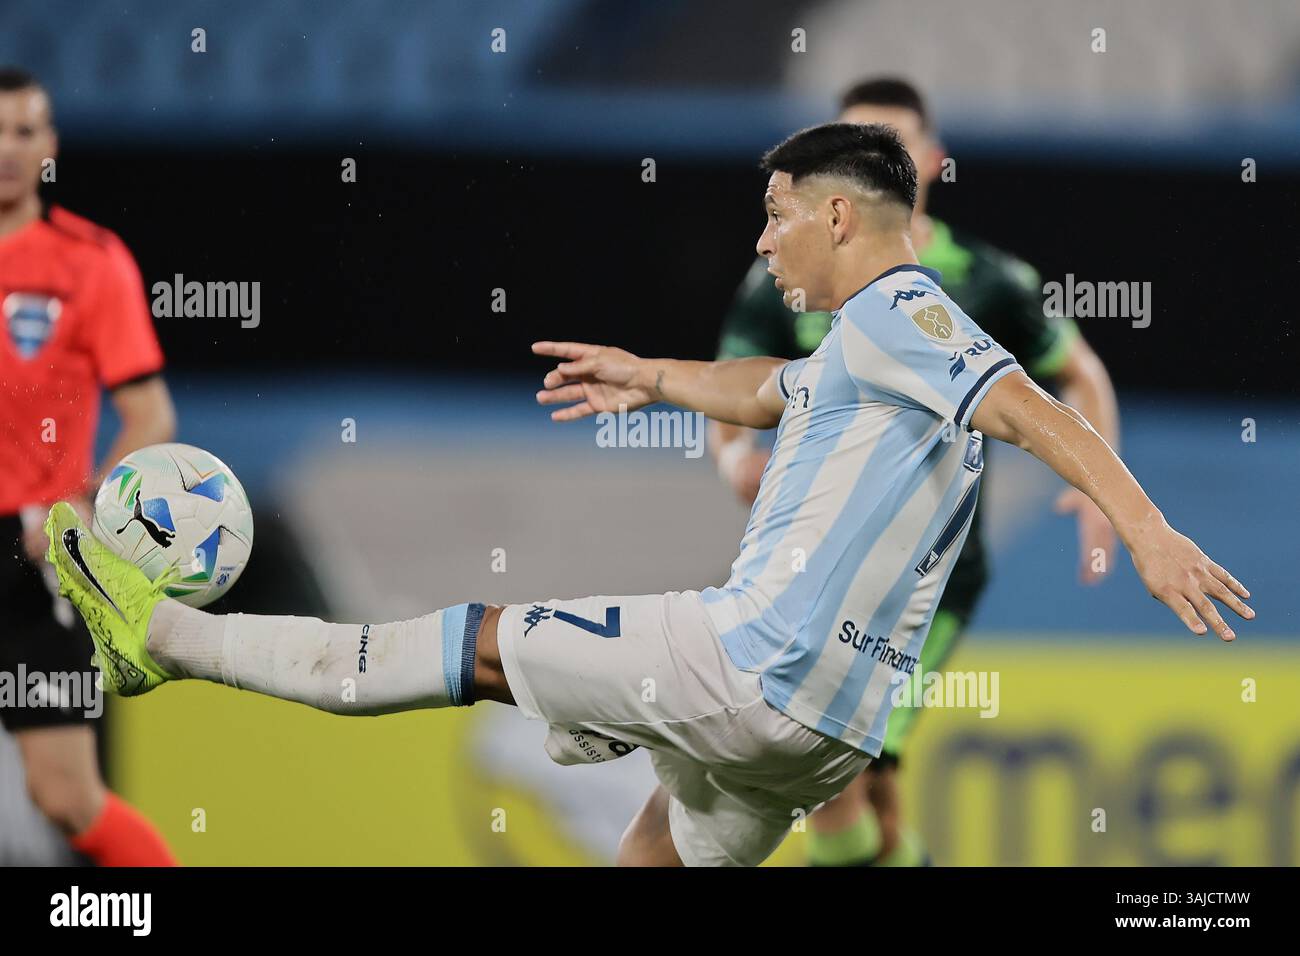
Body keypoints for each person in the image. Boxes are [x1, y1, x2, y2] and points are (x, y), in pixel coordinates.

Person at [43, 123, 1250, 868]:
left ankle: (163, 636)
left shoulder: (908, 310)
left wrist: (1145, 525)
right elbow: (774, 386)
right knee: (651, 857)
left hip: (746, 663)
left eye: (777, 218)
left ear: (840, 213)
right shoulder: (865, 351)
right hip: (823, 740)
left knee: (467, 646)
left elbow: (1031, 409)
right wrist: (651, 375)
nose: (765, 246)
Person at [711, 76, 1120, 866]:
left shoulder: (984, 279)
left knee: (831, 783)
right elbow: (728, 381)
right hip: (820, 576)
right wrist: (735, 459)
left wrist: (1095, 487)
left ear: (931, 161)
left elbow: (1079, 374)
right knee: (862, 796)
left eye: (889, 148)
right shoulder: (782, 275)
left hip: (926, 588)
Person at [0, 67, 178, 865]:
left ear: (51, 147)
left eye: (25, 131)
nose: (7, 150)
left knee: (66, 798)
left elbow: (150, 415)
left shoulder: (91, 263)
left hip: (32, 560)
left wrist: (82, 507)